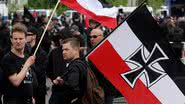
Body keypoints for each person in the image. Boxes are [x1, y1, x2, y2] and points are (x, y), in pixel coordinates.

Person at [1, 23, 37, 104]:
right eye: (15, 38)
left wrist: (30, 96)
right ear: (11, 39)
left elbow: (28, 79)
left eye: (21, 39)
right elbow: (16, 82)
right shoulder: (8, 58)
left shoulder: (26, 56)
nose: (18, 41)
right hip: (13, 101)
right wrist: (27, 64)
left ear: (25, 39)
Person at [54, 38, 87, 104]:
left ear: (76, 50)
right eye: (63, 50)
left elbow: (73, 87)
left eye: (67, 49)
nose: (63, 52)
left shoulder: (75, 66)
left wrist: (61, 83)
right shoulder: (81, 63)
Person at [89, 29, 117, 104]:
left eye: (94, 37)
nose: (92, 39)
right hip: (94, 91)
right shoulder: (90, 52)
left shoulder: (109, 50)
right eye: (90, 37)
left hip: (107, 90)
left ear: (102, 37)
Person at [26, 26, 48, 104]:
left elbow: (41, 73)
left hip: (38, 90)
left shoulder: (42, 53)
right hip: (26, 90)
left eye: (28, 34)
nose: (25, 36)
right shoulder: (23, 51)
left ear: (34, 36)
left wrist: (30, 64)